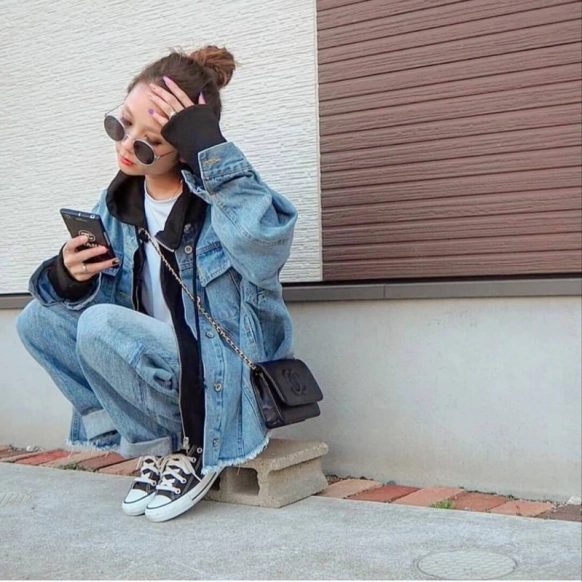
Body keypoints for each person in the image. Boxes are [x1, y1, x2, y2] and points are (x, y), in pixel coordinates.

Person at [16, 45, 298, 523]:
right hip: (159, 369)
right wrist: (68, 274)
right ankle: (154, 446)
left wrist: (212, 151)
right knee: (36, 321)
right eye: (121, 124)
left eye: (148, 143)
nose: (127, 146)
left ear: (183, 147)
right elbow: (93, 309)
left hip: (220, 376)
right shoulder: (117, 205)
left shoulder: (224, 200)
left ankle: (196, 448)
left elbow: (264, 249)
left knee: (100, 324)